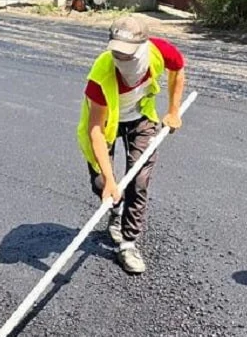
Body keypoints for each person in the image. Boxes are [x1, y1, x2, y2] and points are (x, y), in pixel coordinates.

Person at [77, 14, 186, 275]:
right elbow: (96, 131)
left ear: (141, 47)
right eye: (118, 54)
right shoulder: (101, 74)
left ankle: (128, 243)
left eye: (128, 54)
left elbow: (178, 69)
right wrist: (110, 179)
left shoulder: (159, 51)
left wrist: (173, 111)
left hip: (141, 118)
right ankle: (116, 210)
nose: (122, 60)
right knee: (104, 185)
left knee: (138, 181)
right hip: (106, 128)